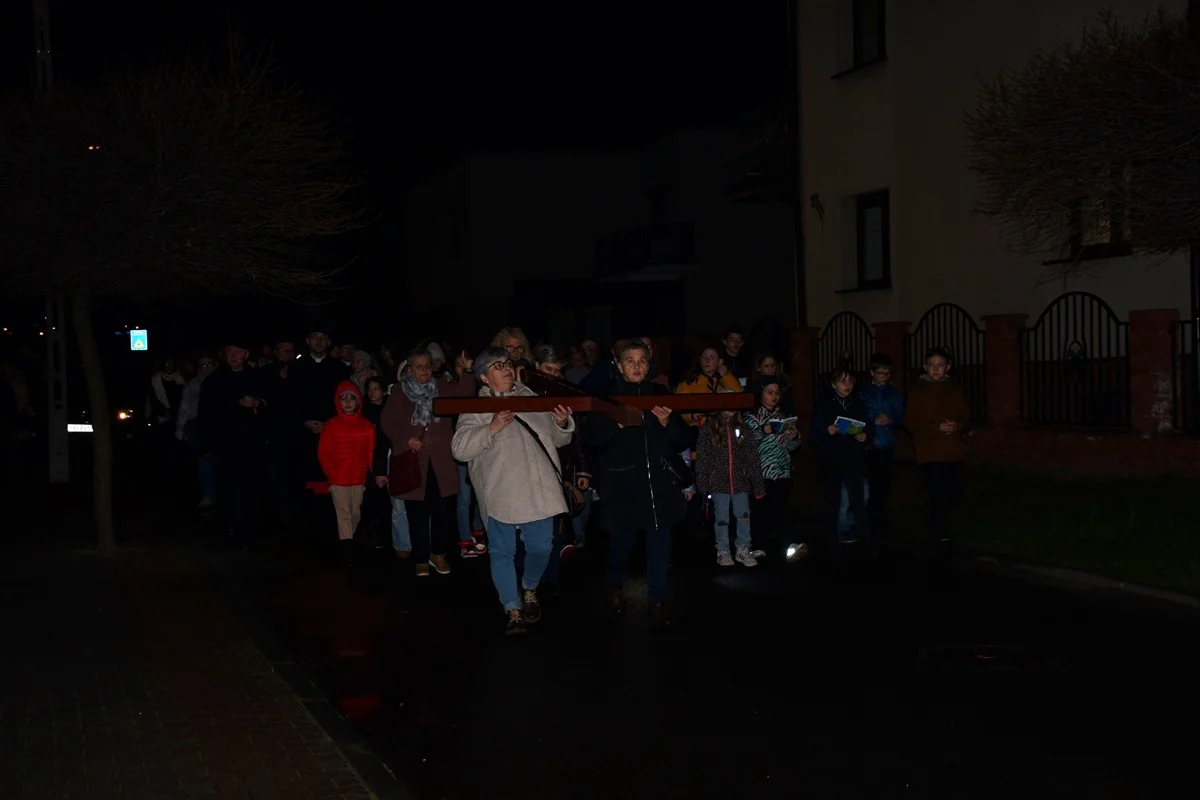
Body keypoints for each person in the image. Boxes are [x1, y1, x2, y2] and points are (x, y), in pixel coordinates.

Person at [452, 348, 576, 635]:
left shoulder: (532, 398)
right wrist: (490, 428)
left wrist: (561, 424)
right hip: (500, 493)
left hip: (537, 490)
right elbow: (459, 449)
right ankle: (512, 608)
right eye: (497, 366)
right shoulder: (474, 408)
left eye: (507, 363)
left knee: (542, 546)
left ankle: (529, 587)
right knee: (502, 553)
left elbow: (558, 439)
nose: (506, 368)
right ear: (484, 377)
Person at [588, 340, 691, 627]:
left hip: (660, 487)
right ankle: (614, 585)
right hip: (624, 488)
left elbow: (682, 439)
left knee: (660, 547)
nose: (636, 366)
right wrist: (617, 424)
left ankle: (657, 600)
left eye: (642, 360)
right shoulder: (607, 399)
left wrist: (668, 423)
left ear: (648, 365)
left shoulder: (660, 394)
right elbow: (593, 440)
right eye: (630, 361)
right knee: (621, 544)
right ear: (620, 366)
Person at [381, 347, 476, 577]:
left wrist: (467, 371)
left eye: (427, 365)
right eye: (419, 366)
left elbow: (465, 395)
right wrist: (406, 439)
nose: (424, 370)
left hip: (441, 462)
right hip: (415, 462)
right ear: (410, 369)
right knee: (418, 514)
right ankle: (421, 558)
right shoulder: (399, 392)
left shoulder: (441, 386)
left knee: (443, 512)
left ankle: (438, 554)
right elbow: (387, 423)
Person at [907, 347, 970, 554]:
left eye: (940, 365)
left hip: (951, 449)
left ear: (947, 367)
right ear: (925, 367)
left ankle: (934, 517)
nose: (936, 369)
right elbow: (911, 421)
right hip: (929, 451)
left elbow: (965, 415)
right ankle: (940, 531)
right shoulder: (918, 392)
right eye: (932, 365)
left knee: (952, 492)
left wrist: (957, 425)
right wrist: (936, 428)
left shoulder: (954, 389)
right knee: (937, 490)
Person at [808, 366, 874, 550]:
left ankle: (865, 539)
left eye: (851, 381)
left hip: (853, 459)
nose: (847, 385)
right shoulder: (824, 406)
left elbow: (868, 428)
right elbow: (813, 438)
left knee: (858, 501)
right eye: (843, 381)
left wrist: (865, 436)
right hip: (831, 461)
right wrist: (827, 432)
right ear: (833, 384)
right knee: (833, 502)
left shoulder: (858, 403)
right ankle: (831, 540)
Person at [696, 398, 765, 567]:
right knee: (721, 518)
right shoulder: (709, 429)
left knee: (743, 516)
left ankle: (743, 548)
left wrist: (757, 484)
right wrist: (703, 482)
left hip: (740, 481)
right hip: (718, 482)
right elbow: (702, 457)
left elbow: (752, 457)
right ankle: (723, 550)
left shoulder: (743, 428)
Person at [745, 376, 805, 562]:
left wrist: (794, 437)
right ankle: (758, 546)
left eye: (777, 393)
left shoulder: (784, 417)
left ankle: (790, 545)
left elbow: (792, 447)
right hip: (760, 472)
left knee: (783, 509)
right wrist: (763, 430)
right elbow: (746, 442)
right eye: (769, 392)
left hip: (782, 471)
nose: (774, 396)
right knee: (759, 511)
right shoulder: (751, 417)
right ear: (760, 393)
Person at [318, 381, 376, 566]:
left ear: (358, 401)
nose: (348, 402)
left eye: (352, 398)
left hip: (359, 478)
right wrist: (332, 475)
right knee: (343, 515)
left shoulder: (366, 425)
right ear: (338, 401)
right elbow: (323, 453)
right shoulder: (331, 425)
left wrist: (370, 474)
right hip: (338, 479)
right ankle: (347, 551)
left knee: (355, 513)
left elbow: (371, 452)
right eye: (344, 398)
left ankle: (349, 541)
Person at [861, 353, 905, 534]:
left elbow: (902, 417)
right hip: (868, 444)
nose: (885, 377)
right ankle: (868, 515)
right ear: (872, 373)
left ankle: (879, 516)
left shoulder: (893, 394)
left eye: (887, 373)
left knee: (884, 482)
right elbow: (858, 415)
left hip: (886, 443)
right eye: (881, 373)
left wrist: (891, 419)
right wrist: (873, 420)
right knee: (869, 480)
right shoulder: (863, 393)